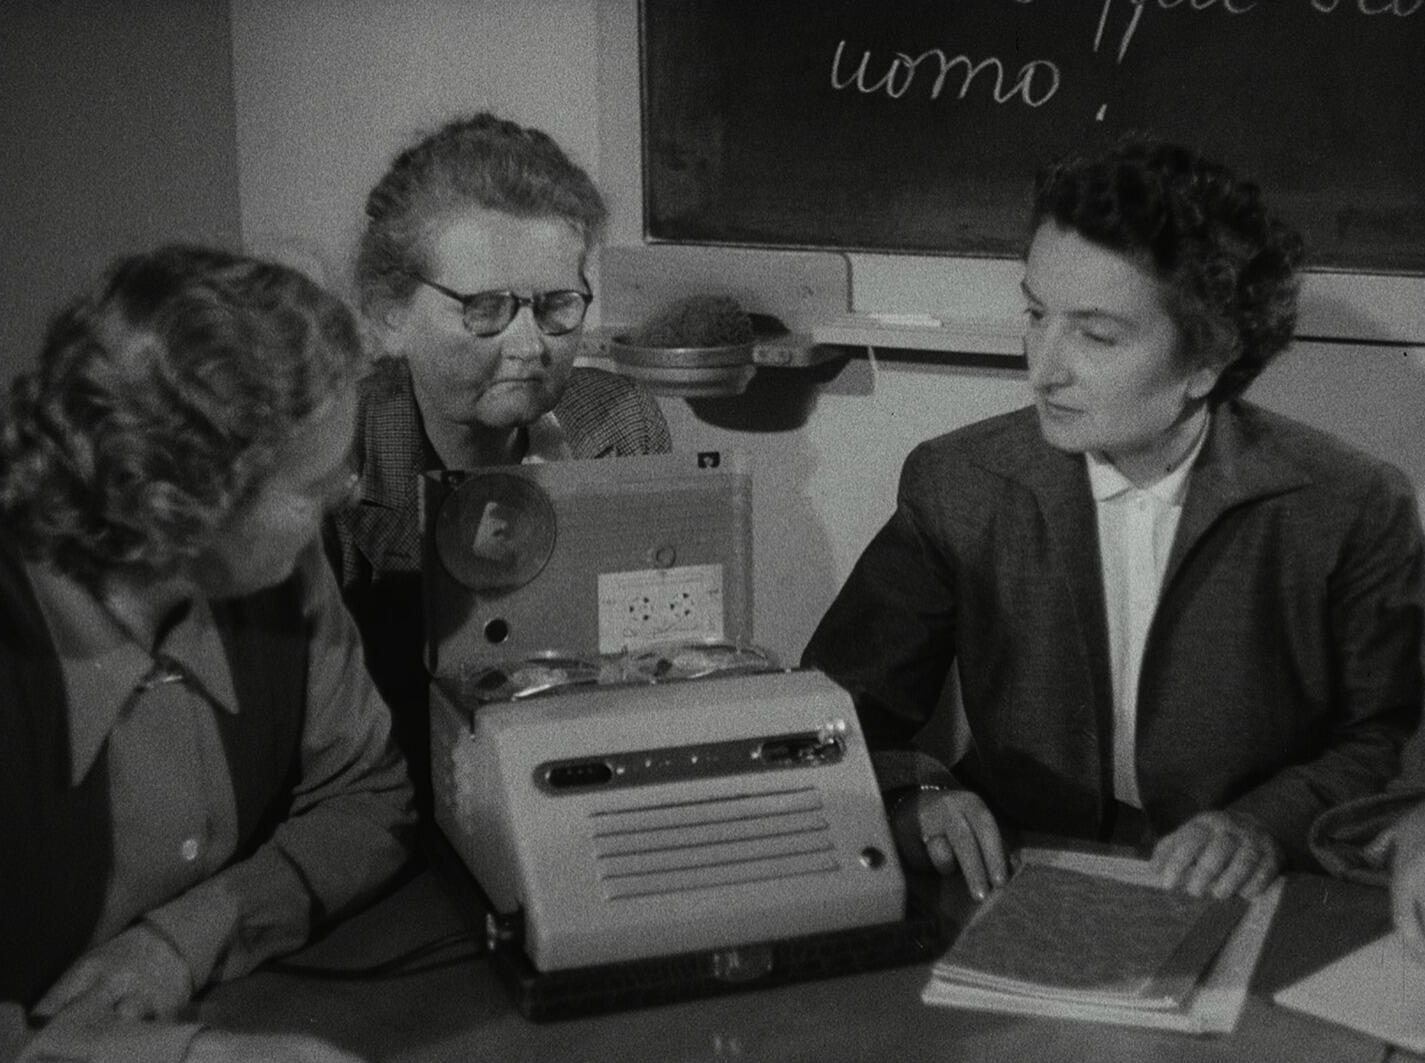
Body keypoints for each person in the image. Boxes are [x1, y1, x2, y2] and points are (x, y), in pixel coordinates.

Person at [802, 135, 1425, 904]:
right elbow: (826, 713)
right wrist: (916, 797)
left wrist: (1260, 824)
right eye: (1035, 314)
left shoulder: (1348, 502)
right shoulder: (958, 481)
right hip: (1020, 874)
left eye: (1096, 335)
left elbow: (1389, 737)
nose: (1042, 366)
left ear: (1207, 359)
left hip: (1250, 891)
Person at [0, 246, 415, 1063]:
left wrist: (188, 935)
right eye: (313, 485)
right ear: (185, 502)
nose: (344, 495)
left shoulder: (287, 574)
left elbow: (369, 794)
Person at [326, 112, 672, 811]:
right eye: (485, 308)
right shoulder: (338, 446)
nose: (529, 345)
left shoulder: (623, 423)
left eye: (555, 306)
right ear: (390, 314)